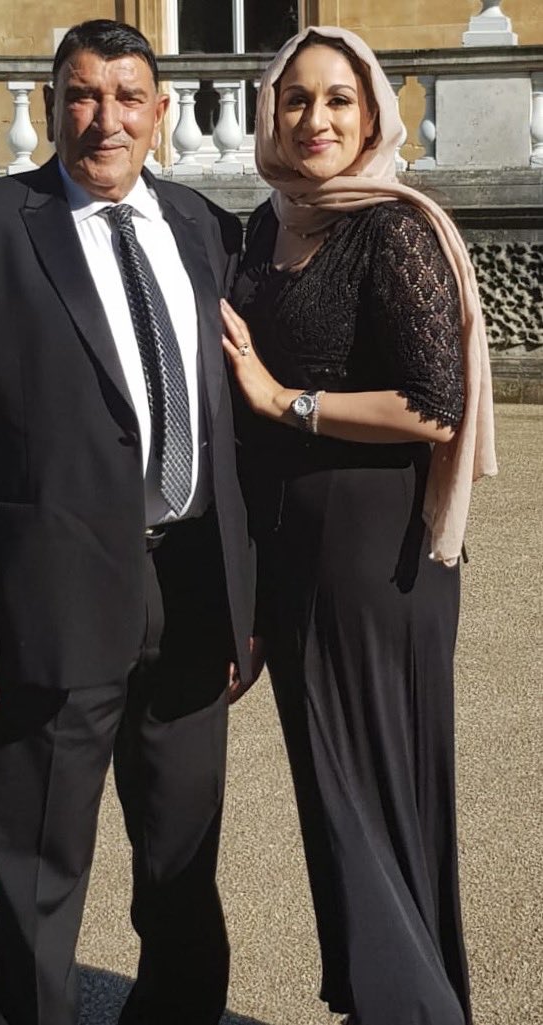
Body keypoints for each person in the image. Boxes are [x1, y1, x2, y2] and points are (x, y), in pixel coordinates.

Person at [0, 19, 258, 1025]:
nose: (102, 118)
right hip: (48, 603)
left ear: (157, 112)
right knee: (39, 875)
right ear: (49, 104)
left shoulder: (206, 225)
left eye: (123, 96)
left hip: (194, 595)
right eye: (79, 94)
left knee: (182, 868)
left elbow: (234, 427)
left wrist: (249, 594)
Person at [221, 25, 497, 1025]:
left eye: (337, 99)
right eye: (295, 99)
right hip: (291, 550)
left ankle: (410, 1008)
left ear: (373, 111)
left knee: (363, 789)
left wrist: (282, 398)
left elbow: (438, 406)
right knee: (334, 792)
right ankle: (392, 997)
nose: (315, 119)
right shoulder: (261, 227)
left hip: (374, 552)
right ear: (270, 111)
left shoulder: (393, 228)